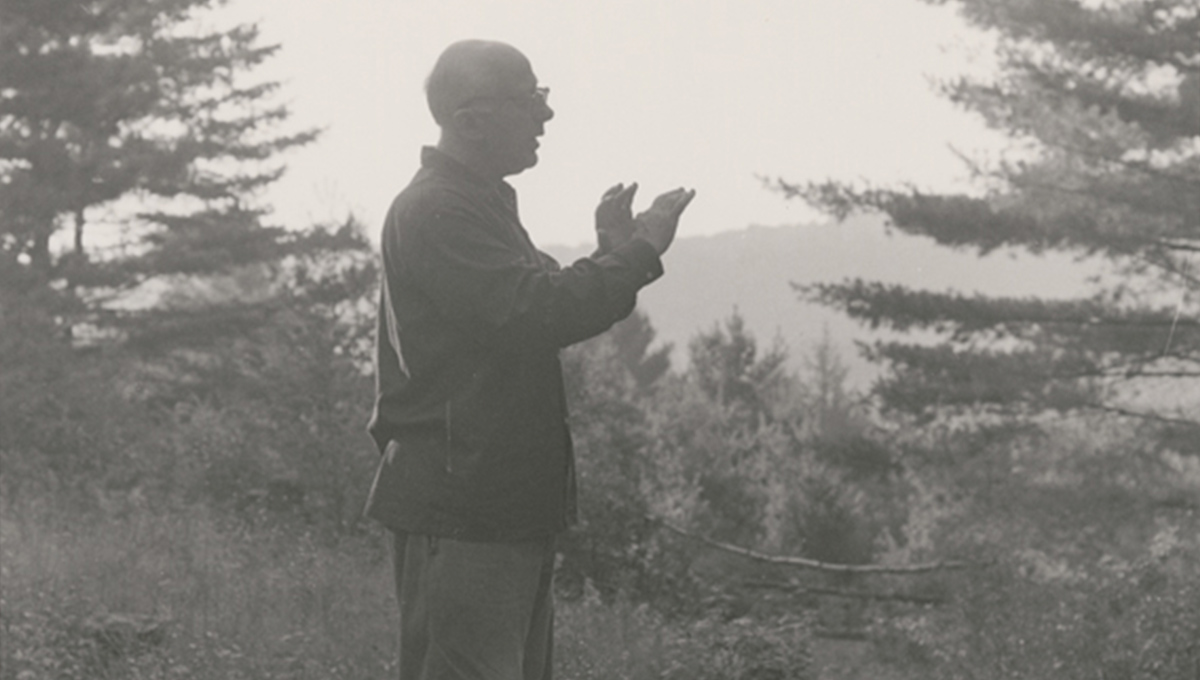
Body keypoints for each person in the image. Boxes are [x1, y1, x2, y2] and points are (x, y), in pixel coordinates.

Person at [363, 39, 694, 680]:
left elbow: (545, 304)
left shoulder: (475, 203)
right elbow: (535, 311)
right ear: (471, 122)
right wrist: (637, 252)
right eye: (531, 99)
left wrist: (611, 253)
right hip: (464, 511)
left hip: (493, 507)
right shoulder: (437, 208)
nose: (546, 116)